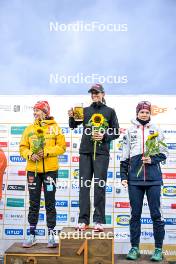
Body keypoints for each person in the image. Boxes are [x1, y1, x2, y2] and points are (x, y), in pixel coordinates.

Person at [120, 101, 168, 262]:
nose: (144, 115)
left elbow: (164, 153)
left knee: (156, 215)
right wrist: (123, 176)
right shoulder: (130, 130)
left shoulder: (157, 130)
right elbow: (124, 156)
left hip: (154, 179)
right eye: (142, 112)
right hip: (135, 180)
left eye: (147, 112)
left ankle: (159, 249)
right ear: (137, 113)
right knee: (135, 215)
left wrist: (152, 159)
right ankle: (134, 248)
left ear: (150, 114)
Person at [68, 84, 119, 232]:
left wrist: (104, 136)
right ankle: (83, 220)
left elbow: (115, 131)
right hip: (85, 152)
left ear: (103, 94)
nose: (94, 95)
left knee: (99, 186)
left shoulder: (110, 111)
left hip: (102, 153)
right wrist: (71, 116)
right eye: (92, 93)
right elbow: (73, 125)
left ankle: (98, 221)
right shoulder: (84, 111)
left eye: (97, 92)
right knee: (84, 187)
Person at [20, 100, 66, 248]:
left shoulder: (55, 128)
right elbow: (22, 148)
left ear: (45, 112)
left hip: (50, 171)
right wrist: (29, 155)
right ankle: (32, 234)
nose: (35, 113)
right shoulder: (29, 129)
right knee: (33, 203)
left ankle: (51, 235)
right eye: (34, 110)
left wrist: (46, 152)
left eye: (38, 110)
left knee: (50, 203)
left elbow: (62, 147)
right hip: (33, 171)